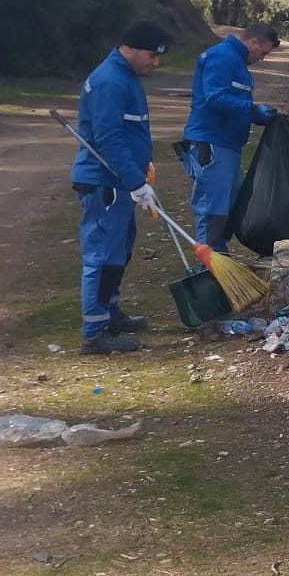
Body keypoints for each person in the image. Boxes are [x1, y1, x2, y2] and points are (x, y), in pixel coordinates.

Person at [71, 19, 170, 355]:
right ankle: (94, 331)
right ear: (129, 48)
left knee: (119, 251)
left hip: (121, 181)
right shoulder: (111, 81)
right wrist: (134, 181)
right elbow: (108, 138)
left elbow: (130, 134)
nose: (155, 63)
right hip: (105, 183)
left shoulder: (126, 76)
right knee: (101, 255)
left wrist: (142, 169)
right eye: (151, 56)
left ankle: (109, 313)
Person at [180, 22, 280, 250]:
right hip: (212, 143)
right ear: (253, 41)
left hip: (228, 145)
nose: (262, 58)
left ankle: (218, 257)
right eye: (263, 52)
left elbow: (232, 101)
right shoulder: (222, 57)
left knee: (225, 207)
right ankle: (210, 267)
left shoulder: (237, 63)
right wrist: (251, 109)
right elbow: (215, 97)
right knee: (213, 208)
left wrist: (255, 116)